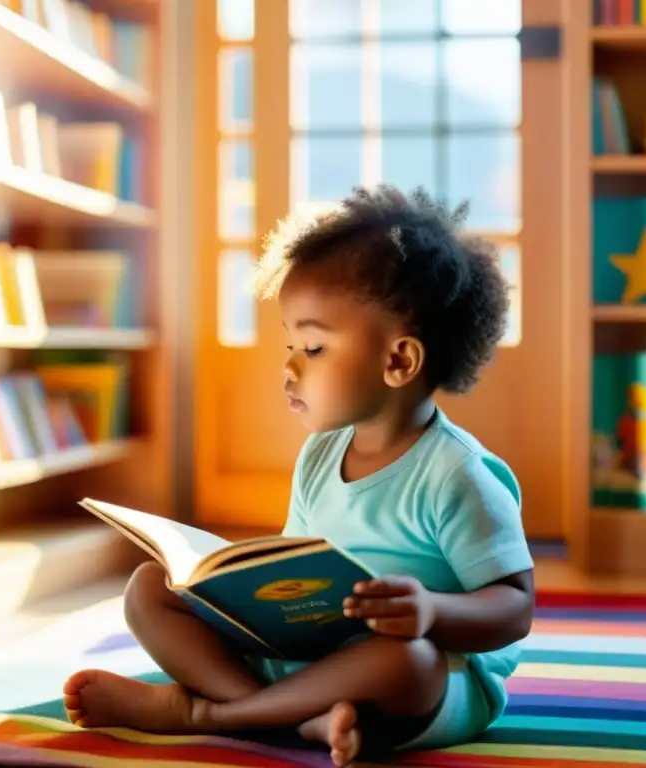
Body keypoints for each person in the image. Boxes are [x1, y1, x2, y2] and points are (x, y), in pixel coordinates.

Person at [62, 185, 535, 767]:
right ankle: (294, 717)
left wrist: (432, 612)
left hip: (422, 677)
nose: (287, 367)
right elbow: (297, 565)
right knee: (148, 589)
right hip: (310, 660)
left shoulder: (457, 476)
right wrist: (229, 585)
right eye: (291, 342)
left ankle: (203, 714)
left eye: (312, 347)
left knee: (405, 659)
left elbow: (515, 607)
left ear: (398, 361)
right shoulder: (319, 455)